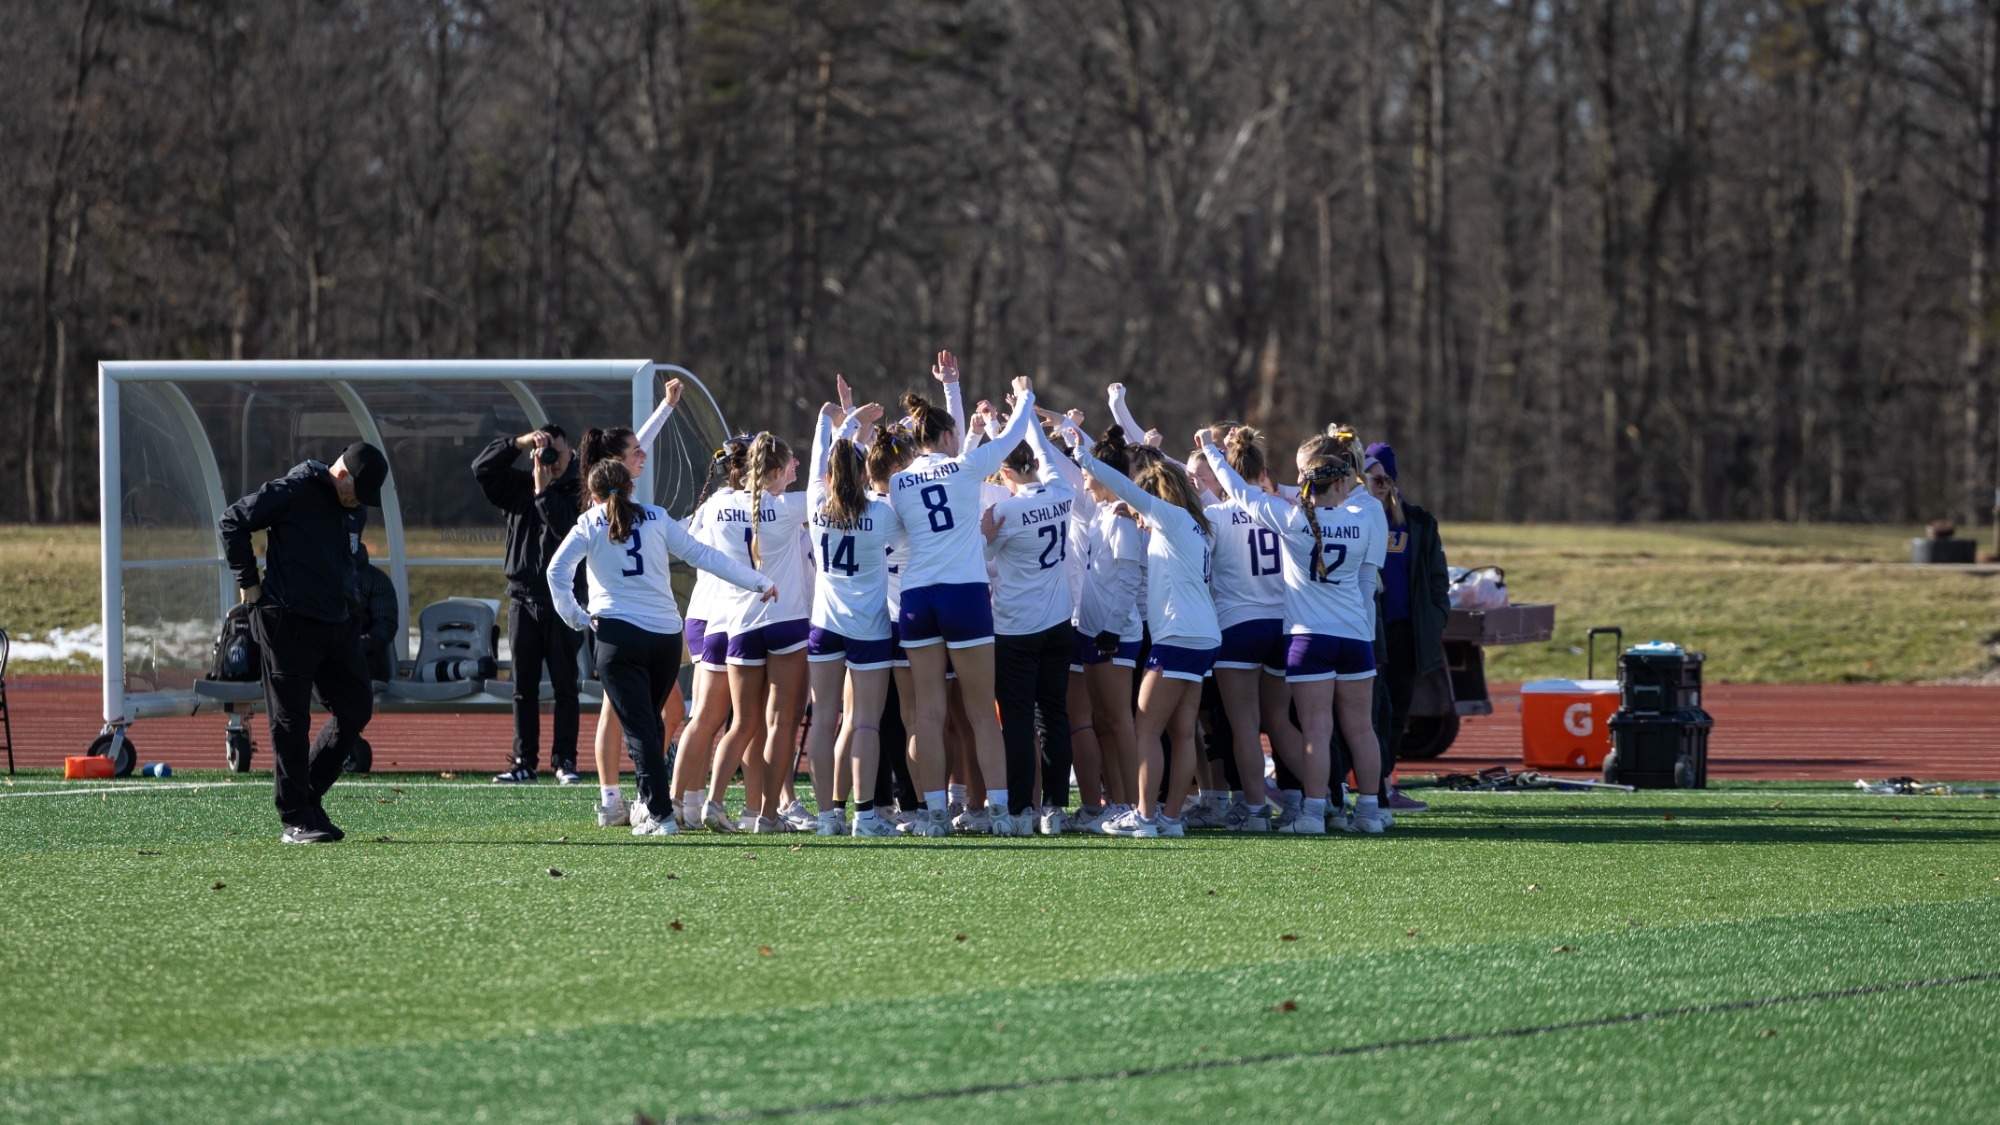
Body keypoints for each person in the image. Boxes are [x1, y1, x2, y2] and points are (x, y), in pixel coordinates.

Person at [548, 460, 776, 836]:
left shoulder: (589, 523)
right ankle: (649, 806)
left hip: (619, 636)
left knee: (640, 729)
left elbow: (556, 572)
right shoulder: (655, 516)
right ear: (630, 487)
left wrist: (576, 616)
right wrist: (757, 581)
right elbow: (704, 555)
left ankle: (661, 815)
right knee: (649, 725)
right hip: (667, 638)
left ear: (592, 495)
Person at [1198, 428, 1389, 834]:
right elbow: (1367, 576)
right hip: (1356, 636)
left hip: (1308, 636)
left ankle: (1312, 814)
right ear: (1342, 483)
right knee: (1360, 728)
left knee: (1316, 729)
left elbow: (1239, 491)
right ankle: (1370, 812)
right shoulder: (1364, 514)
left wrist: (1212, 451)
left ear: (1305, 484)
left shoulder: (1290, 517)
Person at [882, 353, 1038, 837]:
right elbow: (1012, 437)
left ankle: (932, 816)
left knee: (926, 713)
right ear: (950, 438)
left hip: (917, 598)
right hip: (965, 595)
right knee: (979, 712)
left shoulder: (900, 480)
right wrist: (1026, 398)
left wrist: (951, 390)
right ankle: (999, 813)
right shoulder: (966, 468)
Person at [218, 440, 389, 844]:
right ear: (341, 474)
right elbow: (233, 521)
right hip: (287, 623)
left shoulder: (356, 508)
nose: (358, 503)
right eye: (356, 492)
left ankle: (307, 797)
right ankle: (296, 818)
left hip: (338, 624)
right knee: (290, 722)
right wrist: (249, 584)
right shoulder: (294, 490)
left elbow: (346, 559)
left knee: (355, 707)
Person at [1063, 418, 1220, 838]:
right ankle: (1170, 818)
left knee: (1146, 726)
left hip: (1178, 635)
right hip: (1204, 635)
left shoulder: (1167, 516)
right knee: (1183, 732)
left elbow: (1129, 491)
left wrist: (1080, 453)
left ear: (1159, 493)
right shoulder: (1199, 525)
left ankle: (1146, 817)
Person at [803, 396, 903, 836]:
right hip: (870, 628)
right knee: (864, 720)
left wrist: (835, 420)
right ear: (865, 473)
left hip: (824, 625)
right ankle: (865, 814)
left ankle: (827, 816)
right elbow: (907, 540)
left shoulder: (815, 504)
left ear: (829, 475)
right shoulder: (880, 513)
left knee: (824, 720)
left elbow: (819, 458)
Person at [981, 416, 1078, 835]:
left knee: (1018, 719)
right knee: (1053, 715)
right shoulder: (1062, 492)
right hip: (1059, 622)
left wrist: (984, 536)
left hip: (1016, 626)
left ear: (1005, 473)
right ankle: (1055, 807)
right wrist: (1026, 410)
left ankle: (1021, 810)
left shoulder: (1005, 508)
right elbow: (1045, 454)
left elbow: (983, 561)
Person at [473, 422, 584, 785]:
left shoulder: (581, 490)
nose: (552, 461)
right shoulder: (519, 484)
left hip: (563, 599)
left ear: (572, 454)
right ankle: (524, 761)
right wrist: (518, 443)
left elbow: (568, 529)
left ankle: (565, 760)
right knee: (524, 686)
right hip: (522, 596)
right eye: (545, 453)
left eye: (559, 454)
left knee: (566, 684)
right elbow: (482, 469)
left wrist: (544, 491)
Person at [1363, 443, 1451, 813]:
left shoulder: (1417, 522)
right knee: (1364, 711)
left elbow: (1436, 579)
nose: (1380, 485)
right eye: (1372, 479)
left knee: (1396, 711)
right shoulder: (1354, 517)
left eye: (1386, 478)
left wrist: (1434, 618)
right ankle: (1347, 786)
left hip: (1404, 630)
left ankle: (1384, 784)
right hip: (1365, 629)